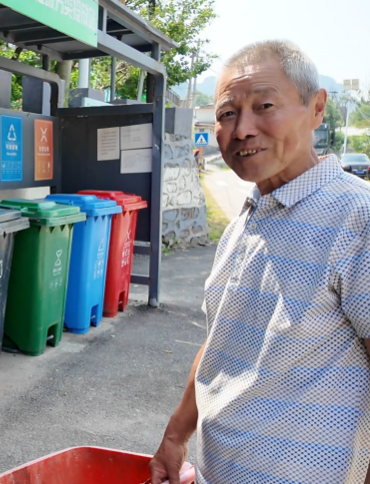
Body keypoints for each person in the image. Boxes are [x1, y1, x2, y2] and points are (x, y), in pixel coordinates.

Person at [150, 40, 370, 484]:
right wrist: (175, 436)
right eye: (227, 114)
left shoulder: (357, 217)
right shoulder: (245, 222)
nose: (243, 129)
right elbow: (221, 342)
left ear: (317, 108)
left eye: (264, 105)